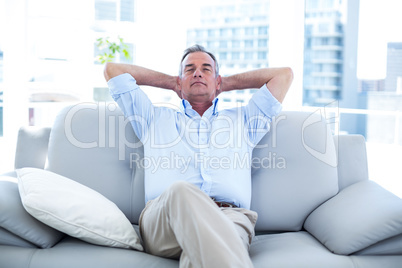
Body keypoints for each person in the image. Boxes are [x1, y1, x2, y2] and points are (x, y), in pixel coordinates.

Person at [104, 44, 293, 268]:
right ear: (179, 79)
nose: (197, 73)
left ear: (218, 80)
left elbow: (283, 76)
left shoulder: (245, 120)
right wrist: (173, 83)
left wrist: (224, 84)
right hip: (165, 218)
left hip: (229, 217)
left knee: (206, 251)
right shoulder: (152, 118)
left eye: (206, 69)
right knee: (181, 190)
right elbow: (113, 70)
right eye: (189, 69)